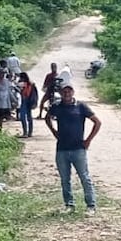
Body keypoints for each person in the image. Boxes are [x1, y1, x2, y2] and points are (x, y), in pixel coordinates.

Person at [45, 83, 102, 215]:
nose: (67, 94)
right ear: (61, 93)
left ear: (73, 92)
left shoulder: (81, 106)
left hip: (78, 148)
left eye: (69, 91)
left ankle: (91, 205)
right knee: (65, 179)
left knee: (84, 177)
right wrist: (53, 131)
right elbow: (47, 118)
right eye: (64, 92)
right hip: (62, 149)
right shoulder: (56, 106)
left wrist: (88, 140)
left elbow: (97, 122)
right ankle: (69, 205)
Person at [17, 72, 39, 137]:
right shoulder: (31, 84)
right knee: (29, 117)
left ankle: (25, 132)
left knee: (23, 117)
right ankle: (30, 132)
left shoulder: (22, 84)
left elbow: (20, 90)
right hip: (30, 101)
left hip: (24, 101)